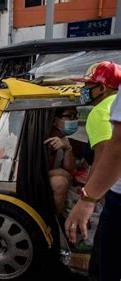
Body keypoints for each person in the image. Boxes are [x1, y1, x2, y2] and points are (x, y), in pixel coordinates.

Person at [66, 61, 121, 281]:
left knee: (104, 268)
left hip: (113, 197)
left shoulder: (100, 112)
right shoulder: (111, 104)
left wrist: (87, 198)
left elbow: (106, 155)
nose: (84, 90)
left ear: (103, 88)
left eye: (89, 85)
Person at [44, 107, 78, 214]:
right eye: (69, 116)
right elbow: (32, 169)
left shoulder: (64, 139)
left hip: (47, 177)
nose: (73, 120)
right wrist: (55, 172)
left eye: (75, 116)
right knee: (60, 183)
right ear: (55, 121)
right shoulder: (42, 137)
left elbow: (70, 169)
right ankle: (53, 220)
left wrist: (68, 148)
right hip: (31, 180)